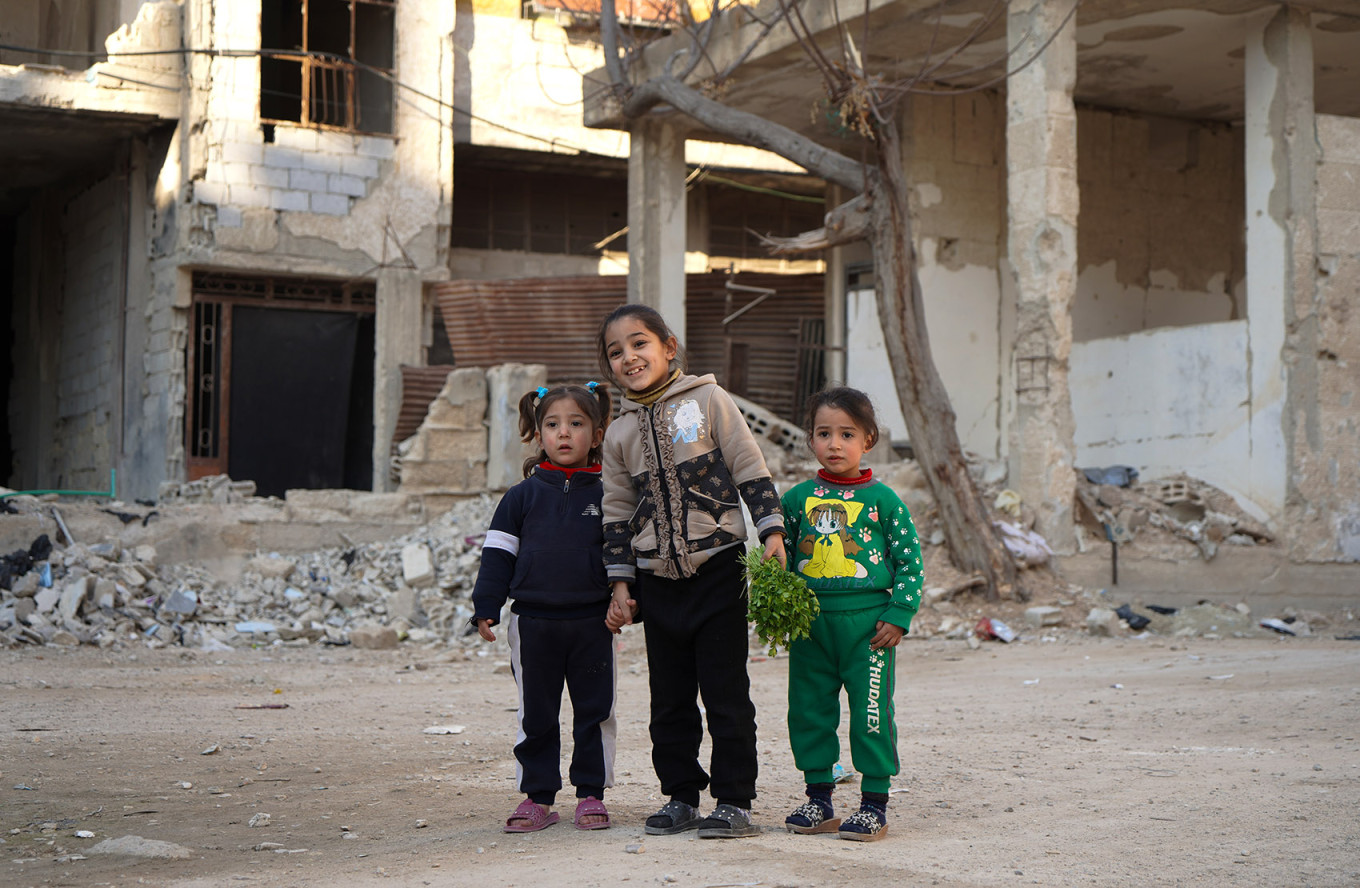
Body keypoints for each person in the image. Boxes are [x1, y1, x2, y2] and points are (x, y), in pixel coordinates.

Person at [598, 304, 786, 839]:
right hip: (658, 585)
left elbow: (750, 466)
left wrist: (772, 532)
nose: (629, 357)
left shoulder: (707, 400)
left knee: (726, 695)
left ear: (669, 346)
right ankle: (680, 796)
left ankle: (733, 801)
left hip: (719, 571)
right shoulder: (618, 434)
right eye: (616, 352)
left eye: (639, 344)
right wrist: (621, 582)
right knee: (670, 702)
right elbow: (615, 513)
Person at [778, 386, 923, 842]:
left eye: (847, 434)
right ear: (810, 440)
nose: (835, 444)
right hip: (810, 627)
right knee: (808, 710)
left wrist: (899, 613)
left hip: (869, 629)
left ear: (869, 440)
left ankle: (873, 804)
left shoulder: (884, 502)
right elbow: (775, 554)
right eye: (824, 433)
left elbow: (910, 563)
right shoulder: (797, 500)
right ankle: (819, 799)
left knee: (871, 712)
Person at [471, 383, 617, 833]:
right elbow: (497, 554)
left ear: (596, 434)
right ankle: (537, 797)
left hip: (594, 623)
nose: (564, 433)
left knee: (595, 711)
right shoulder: (521, 496)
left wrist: (627, 600)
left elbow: (624, 553)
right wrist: (486, 605)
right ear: (539, 434)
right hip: (532, 622)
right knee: (535, 713)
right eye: (552, 425)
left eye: (576, 424)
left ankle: (591, 793)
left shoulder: (610, 494)